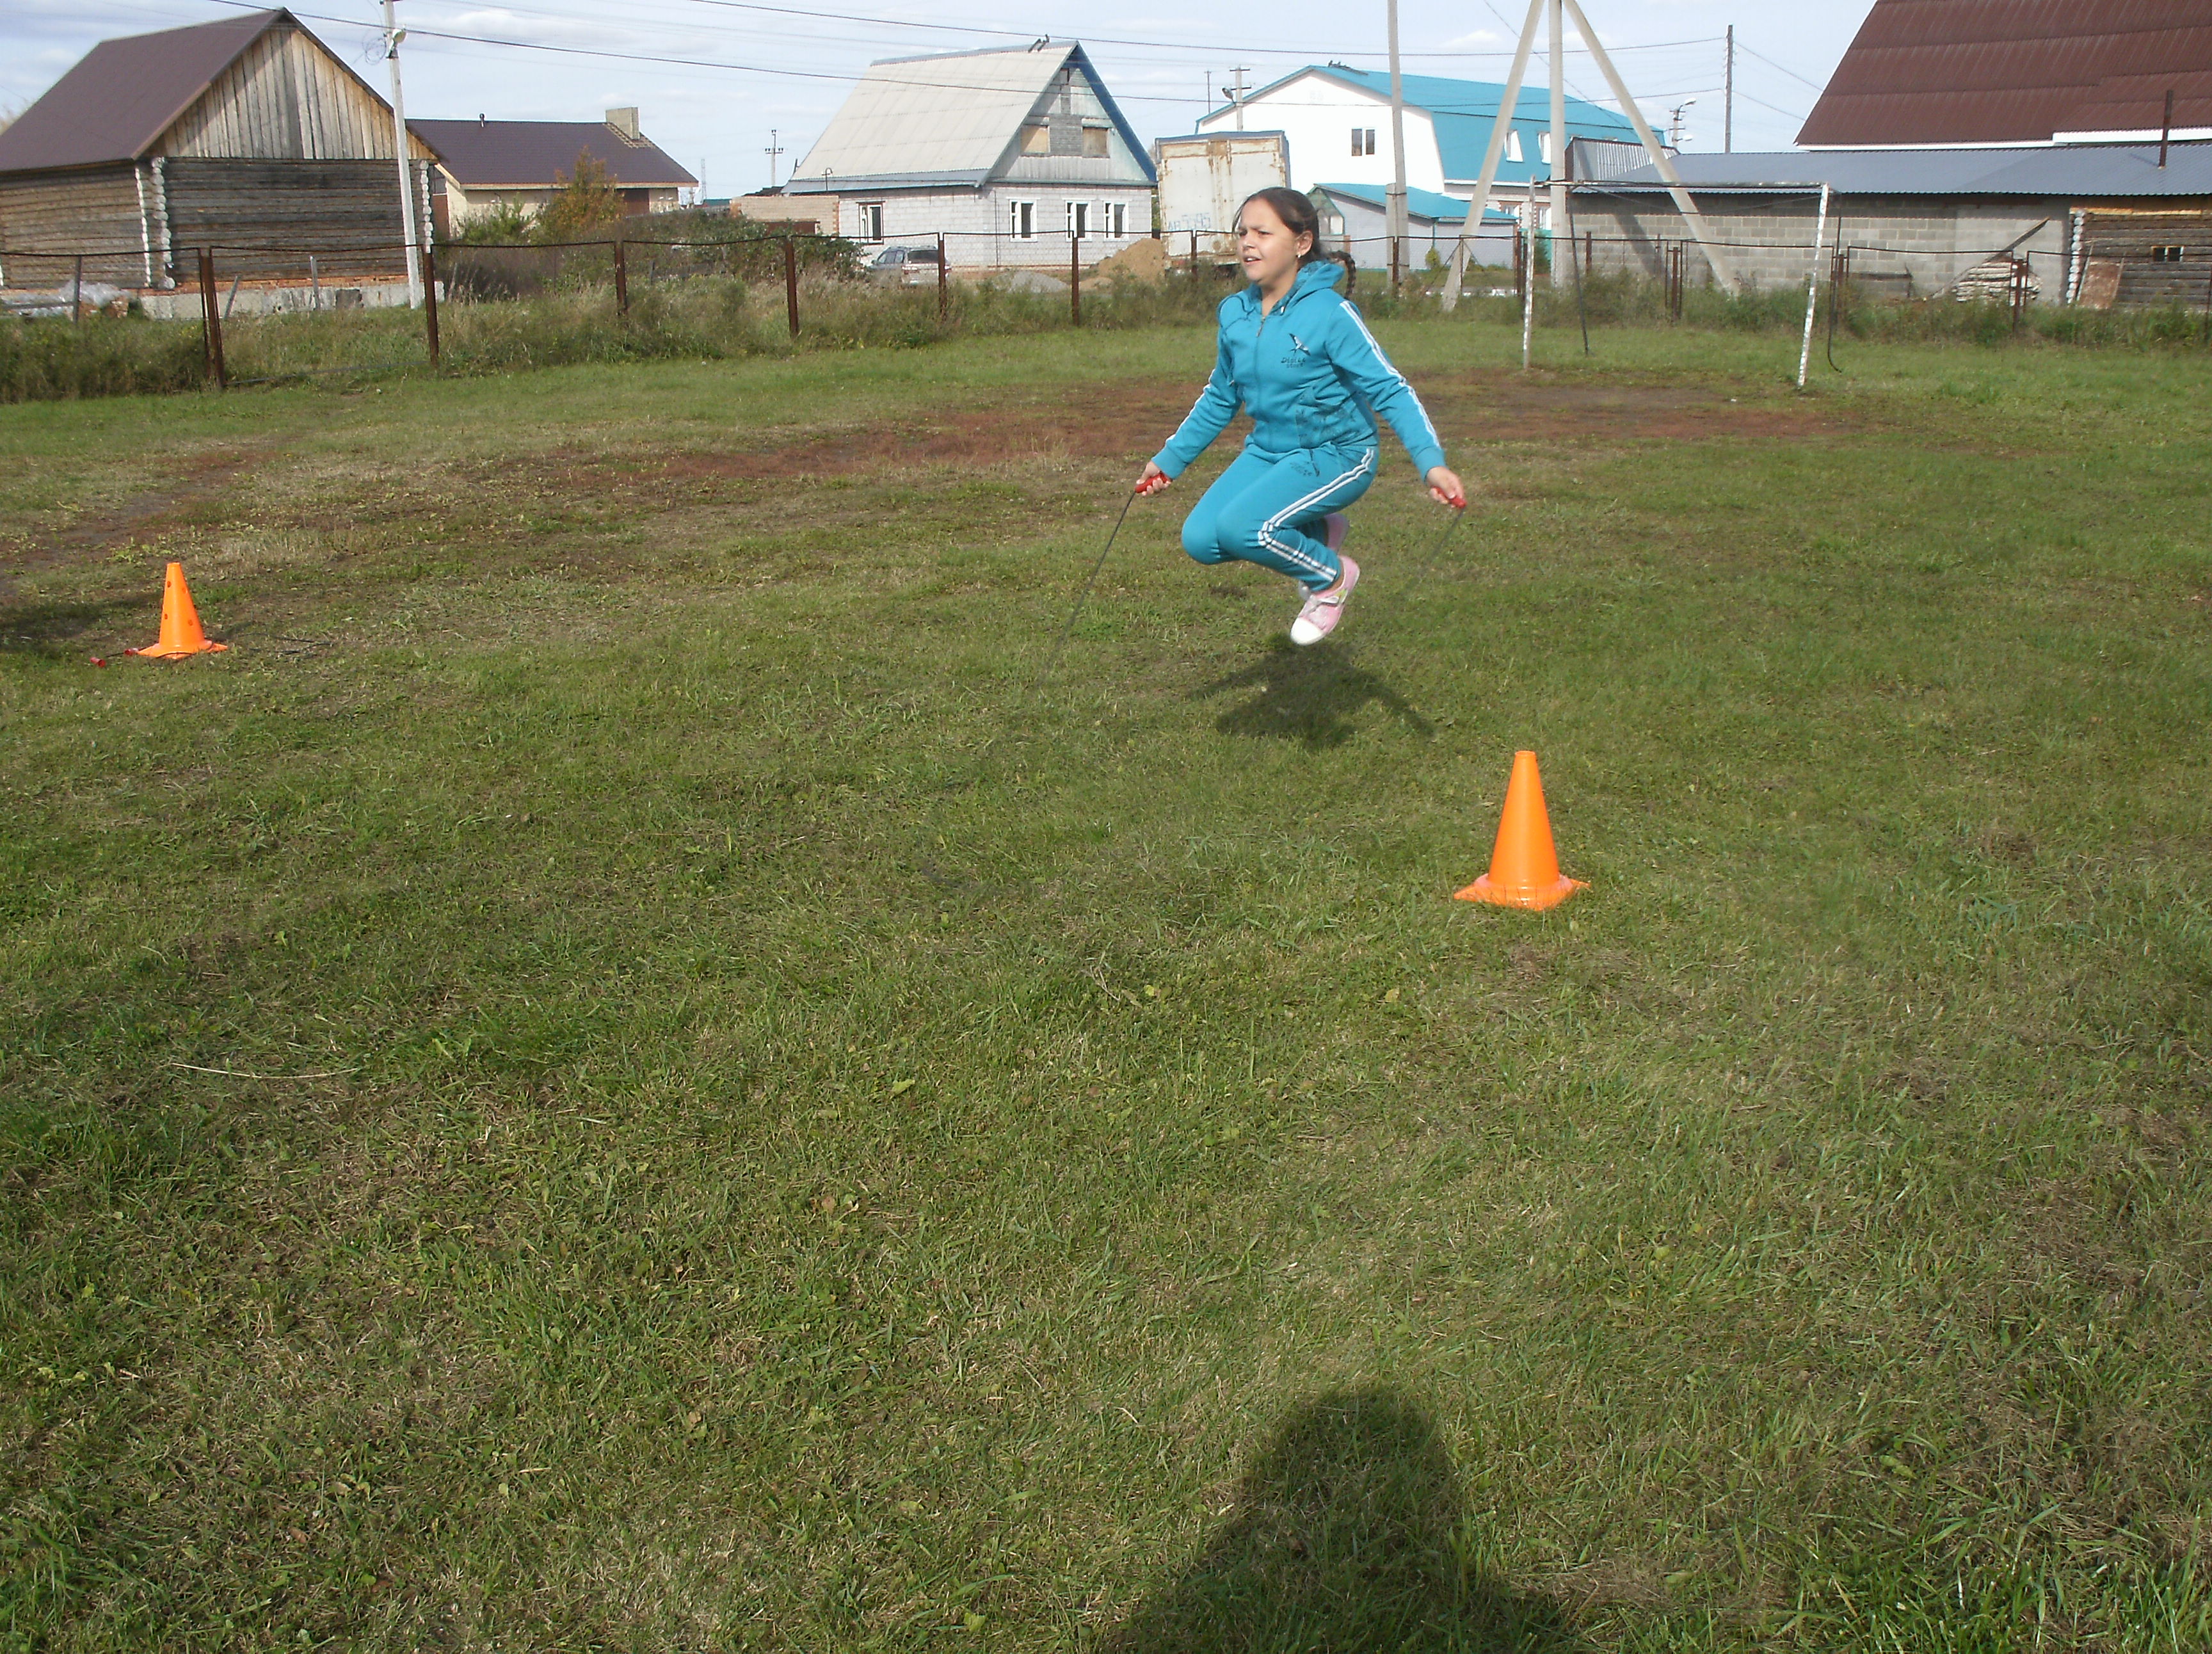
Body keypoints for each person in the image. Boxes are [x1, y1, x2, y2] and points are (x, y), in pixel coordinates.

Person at [1138, 187, 1464, 646]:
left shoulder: (1331, 314)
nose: (1248, 243)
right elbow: (1219, 397)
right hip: (1270, 453)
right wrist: (1170, 461)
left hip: (1338, 453)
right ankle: (1319, 528)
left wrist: (1431, 462)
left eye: (1263, 233)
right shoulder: (1235, 314)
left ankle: (1333, 580)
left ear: (1302, 243)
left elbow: (1390, 388)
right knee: (1202, 540)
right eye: (1242, 233)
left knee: (1243, 528)